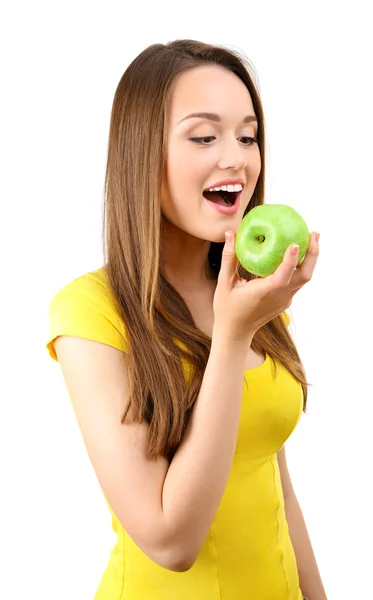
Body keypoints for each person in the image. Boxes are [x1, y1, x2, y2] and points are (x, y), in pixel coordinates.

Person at [46, 39, 327, 600]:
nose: (238, 159)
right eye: (205, 136)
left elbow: (277, 486)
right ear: (141, 154)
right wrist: (231, 336)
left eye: (248, 136)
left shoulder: (252, 296)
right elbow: (172, 543)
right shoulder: (89, 312)